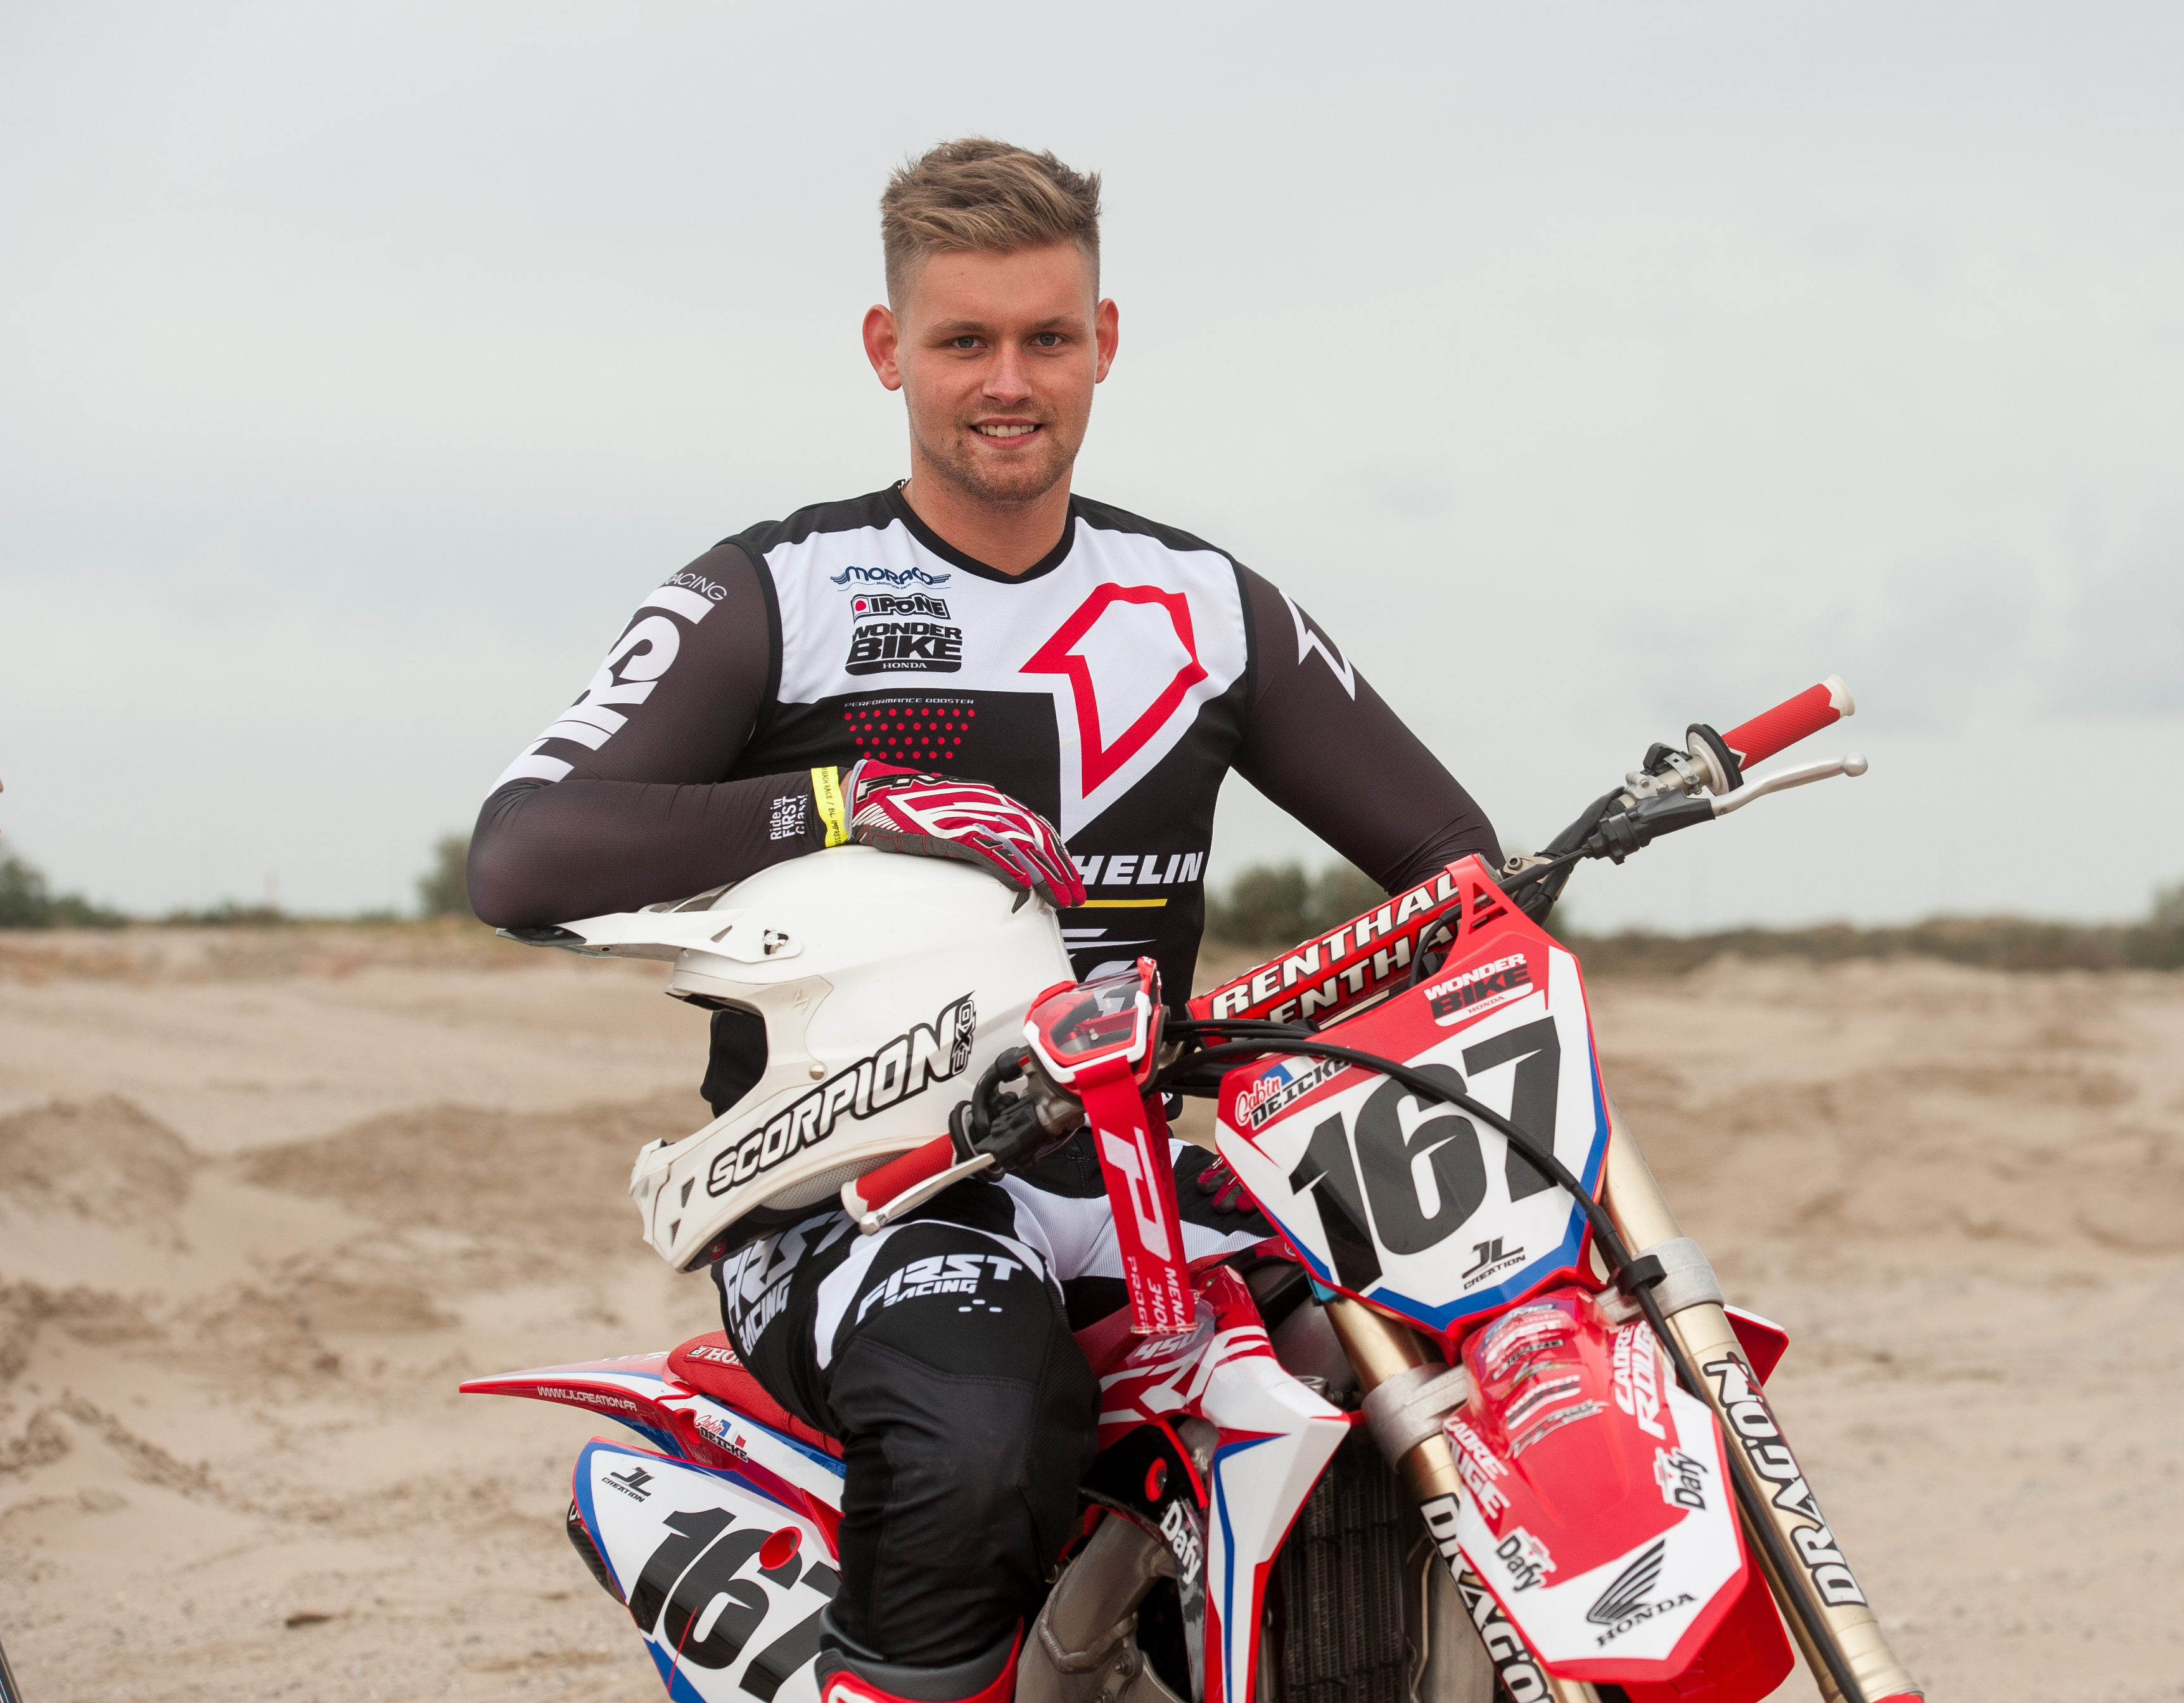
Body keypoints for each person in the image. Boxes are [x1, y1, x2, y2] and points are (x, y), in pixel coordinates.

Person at [466, 139, 1500, 1703]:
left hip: (1137, 1168)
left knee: (1457, 1342)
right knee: (979, 1425)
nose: (1008, 383)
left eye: (1046, 338)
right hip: (852, 1197)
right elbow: (523, 855)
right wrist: (841, 804)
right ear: (887, 349)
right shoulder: (781, 591)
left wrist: (1318, 1041)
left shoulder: (1206, 606)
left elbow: (1450, 868)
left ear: (1104, 342)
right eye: (964, 341)